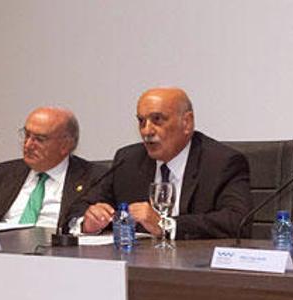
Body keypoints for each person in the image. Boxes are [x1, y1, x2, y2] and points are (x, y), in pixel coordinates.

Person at [73, 87, 252, 240]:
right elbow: (77, 208)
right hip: (137, 266)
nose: (146, 131)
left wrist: (165, 225)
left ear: (187, 122)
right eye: (141, 121)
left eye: (157, 120)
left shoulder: (221, 162)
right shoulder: (128, 160)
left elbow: (237, 222)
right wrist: (88, 222)